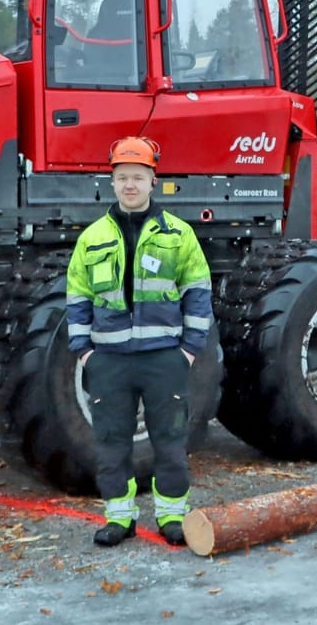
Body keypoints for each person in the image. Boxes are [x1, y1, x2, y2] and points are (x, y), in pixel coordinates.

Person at [66, 136, 213, 547]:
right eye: (123, 177)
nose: (130, 185)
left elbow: (198, 292)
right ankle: (120, 518)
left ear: (153, 181)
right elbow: (77, 295)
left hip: (164, 359)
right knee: (111, 443)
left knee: (169, 441)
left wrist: (188, 349)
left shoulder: (179, 235)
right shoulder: (92, 238)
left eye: (138, 177)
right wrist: (85, 352)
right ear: (111, 183)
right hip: (109, 360)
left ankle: (171, 516)